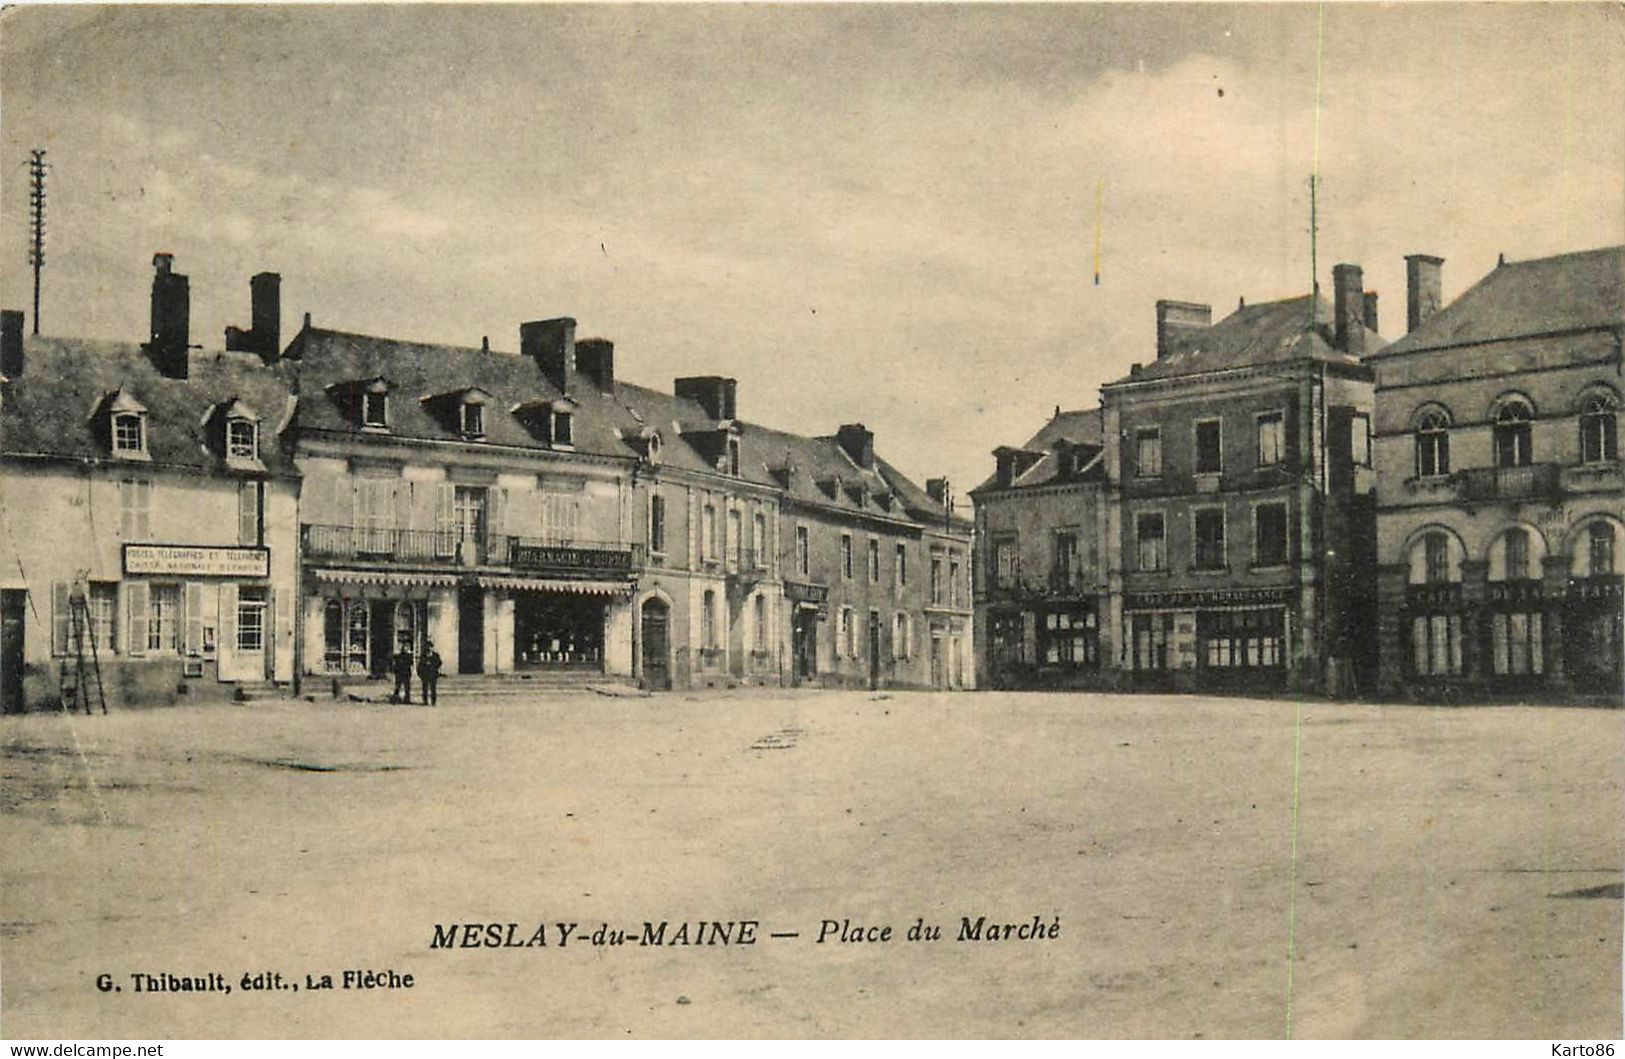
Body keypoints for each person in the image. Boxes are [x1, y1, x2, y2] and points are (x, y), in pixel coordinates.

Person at [418, 640, 442, 706]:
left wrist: (433, 665)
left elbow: (439, 663)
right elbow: (420, 665)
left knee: (433, 689)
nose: (429, 648)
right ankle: (425, 701)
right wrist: (420, 673)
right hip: (425, 674)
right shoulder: (423, 656)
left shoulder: (435, 655)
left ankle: (433, 701)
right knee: (425, 688)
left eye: (431, 647)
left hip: (433, 674)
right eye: (428, 647)